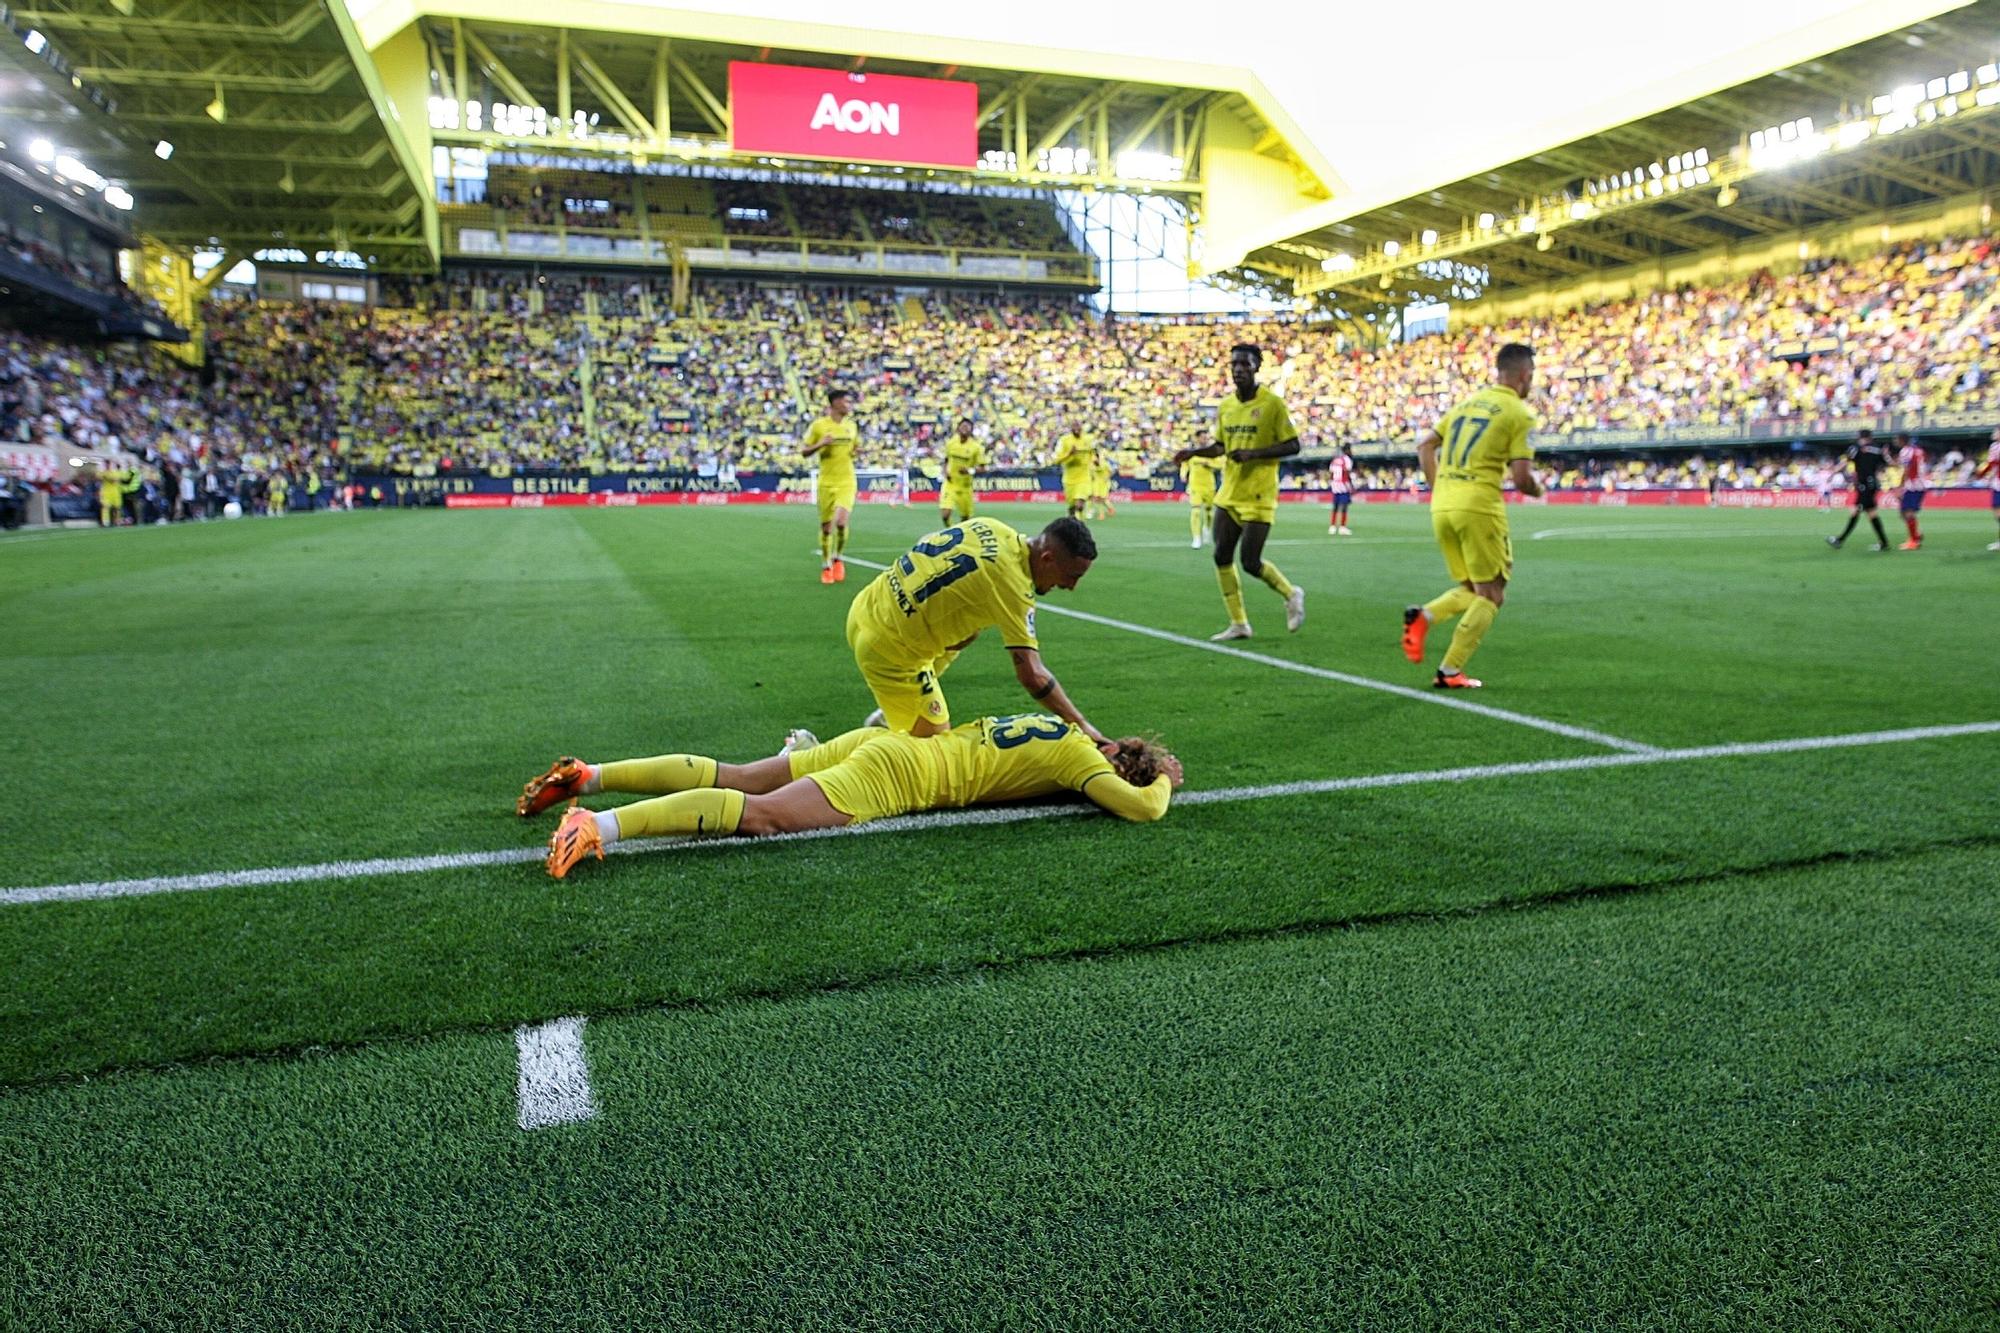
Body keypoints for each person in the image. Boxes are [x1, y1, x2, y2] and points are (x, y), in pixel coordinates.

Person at [528, 713, 1184, 879]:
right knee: (765, 817)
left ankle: (590, 773)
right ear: (1119, 767)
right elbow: (1142, 809)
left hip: (890, 744)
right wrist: (1163, 782)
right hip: (898, 776)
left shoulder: (1067, 731)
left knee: (741, 773)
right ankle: (598, 822)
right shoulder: (1080, 759)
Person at [848, 515, 1108, 744]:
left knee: (954, 646)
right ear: (1047, 558)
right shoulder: (1012, 586)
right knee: (931, 758)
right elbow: (1032, 674)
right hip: (890, 650)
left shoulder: (991, 526)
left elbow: (927, 540)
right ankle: (810, 753)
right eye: (1071, 576)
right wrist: (1081, 724)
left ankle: (893, 719)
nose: (1071, 586)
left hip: (866, 607)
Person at [1400, 342, 1542, 690]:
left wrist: (1440, 488)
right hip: (1478, 507)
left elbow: (1424, 445)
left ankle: (1424, 617)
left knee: (1471, 587)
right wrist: (1539, 491)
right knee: (1492, 593)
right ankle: (1450, 671)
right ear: (1524, 376)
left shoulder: (1465, 405)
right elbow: (1522, 480)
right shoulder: (1519, 413)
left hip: (1443, 506)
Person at [1171, 343, 1304, 641]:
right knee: (1221, 555)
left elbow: (1294, 445)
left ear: (1257, 367)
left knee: (1250, 562)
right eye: (1234, 365)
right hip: (1229, 493)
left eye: (1245, 364)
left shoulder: (1272, 404)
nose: (1238, 369)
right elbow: (1221, 446)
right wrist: (1193, 452)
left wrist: (1254, 454)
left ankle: (1291, 593)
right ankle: (1239, 623)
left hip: (1259, 493)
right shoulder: (1227, 407)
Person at [801, 388, 859, 584]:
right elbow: (804, 451)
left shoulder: (852, 426)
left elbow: (854, 449)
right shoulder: (819, 426)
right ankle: (826, 565)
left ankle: (838, 558)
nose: (848, 405)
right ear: (834, 403)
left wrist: (856, 452)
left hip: (847, 481)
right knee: (826, 529)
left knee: (841, 522)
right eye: (845, 401)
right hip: (827, 482)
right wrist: (820, 444)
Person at [1826, 430, 1891, 551]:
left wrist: (1832, 473)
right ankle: (1884, 543)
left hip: (1864, 484)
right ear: (1870, 437)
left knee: (1857, 511)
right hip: (1872, 484)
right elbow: (1887, 462)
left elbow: (1845, 462)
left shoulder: (1856, 448)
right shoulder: (1877, 448)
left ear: (1860, 437)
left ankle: (1840, 540)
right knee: (1871, 513)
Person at [940, 417, 985, 525]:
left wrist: (969, 471)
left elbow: (983, 468)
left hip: (965, 486)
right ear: (958, 428)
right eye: (963, 426)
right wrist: (945, 471)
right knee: (945, 514)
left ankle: (960, 536)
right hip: (950, 484)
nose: (965, 428)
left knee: (965, 519)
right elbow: (946, 460)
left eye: (967, 427)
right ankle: (950, 530)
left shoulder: (976, 447)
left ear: (971, 430)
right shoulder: (951, 443)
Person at [1180, 443, 1222, 548]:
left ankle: (1207, 529)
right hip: (1195, 486)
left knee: (1209, 512)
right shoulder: (1192, 454)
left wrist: (1209, 464)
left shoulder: (1211, 454)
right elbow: (1184, 465)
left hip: (1209, 486)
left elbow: (1221, 464)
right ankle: (1196, 538)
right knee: (1196, 511)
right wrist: (1183, 474)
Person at [1053, 420, 1095, 520]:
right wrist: (1069, 454)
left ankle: (1080, 524)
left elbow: (1093, 454)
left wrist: (1093, 467)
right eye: (1074, 427)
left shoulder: (1088, 439)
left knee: (1079, 504)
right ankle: (1072, 522)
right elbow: (1056, 460)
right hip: (1069, 478)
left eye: (1078, 426)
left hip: (1084, 477)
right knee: (1072, 508)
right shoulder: (1064, 440)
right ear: (1071, 429)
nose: (1077, 429)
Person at [1894, 432, 1927, 551]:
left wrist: (1900, 487)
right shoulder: (1918, 450)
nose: (1895, 441)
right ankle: (1916, 535)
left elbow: (1907, 469)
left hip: (1912, 486)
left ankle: (1914, 541)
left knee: (1908, 513)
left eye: (1896, 439)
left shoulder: (1905, 451)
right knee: (1904, 512)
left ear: (1902, 440)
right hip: (1921, 484)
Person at [1974, 426, 2000, 551]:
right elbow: (1991, 464)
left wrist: (1980, 473)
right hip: (1996, 484)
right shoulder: (1994, 447)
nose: (1994, 434)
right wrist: (1981, 473)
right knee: (1997, 511)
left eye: (1996, 431)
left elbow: (1991, 464)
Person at [1327, 442, 1355, 535]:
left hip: (1335, 485)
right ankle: (1342, 527)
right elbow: (1347, 473)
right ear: (1347, 450)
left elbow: (1331, 473)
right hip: (1343, 485)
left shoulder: (1335, 460)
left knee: (1335, 506)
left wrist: (1332, 483)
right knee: (1344, 506)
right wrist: (1351, 485)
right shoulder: (1347, 459)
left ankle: (1332, 526)